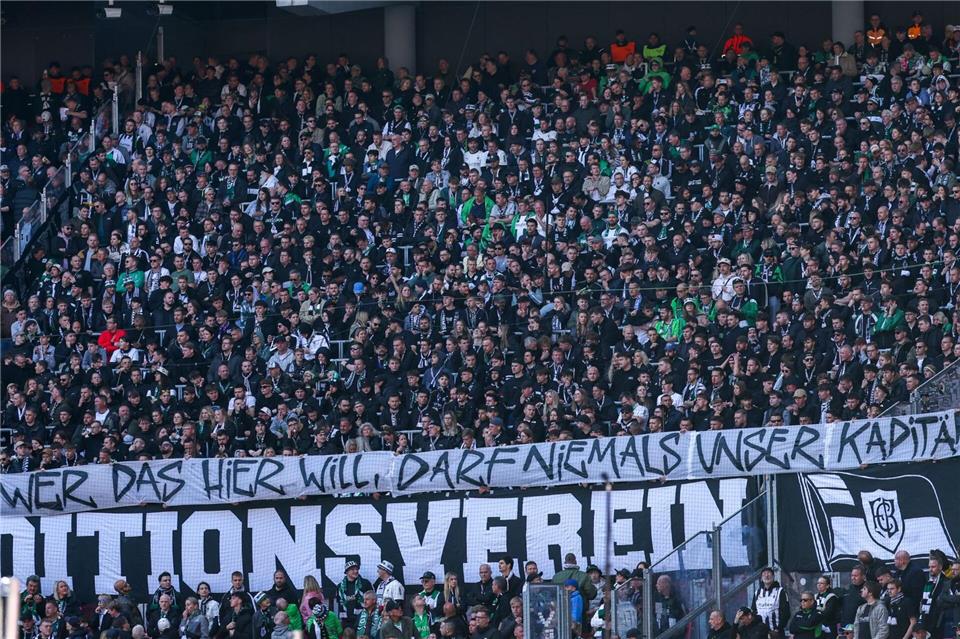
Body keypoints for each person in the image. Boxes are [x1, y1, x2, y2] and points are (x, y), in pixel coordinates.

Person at [752, 567, 790, 638]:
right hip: (760, 633)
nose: (766, 575)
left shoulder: (780, 591)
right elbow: (753, 611)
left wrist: (778, 629)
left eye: (769, 573)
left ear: (773, 577)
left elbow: (786, 613)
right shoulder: (757, 593)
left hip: (776, 633)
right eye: (764, 574)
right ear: (761, 578)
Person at [337, 561, 373, 628]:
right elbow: (339, 603)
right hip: (346, 621)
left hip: (362, 619)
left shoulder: (365, 583)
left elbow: (373, 600)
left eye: (357, 569)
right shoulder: (340, 587)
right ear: (346, 571)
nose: (356, 571)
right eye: (352, 569)